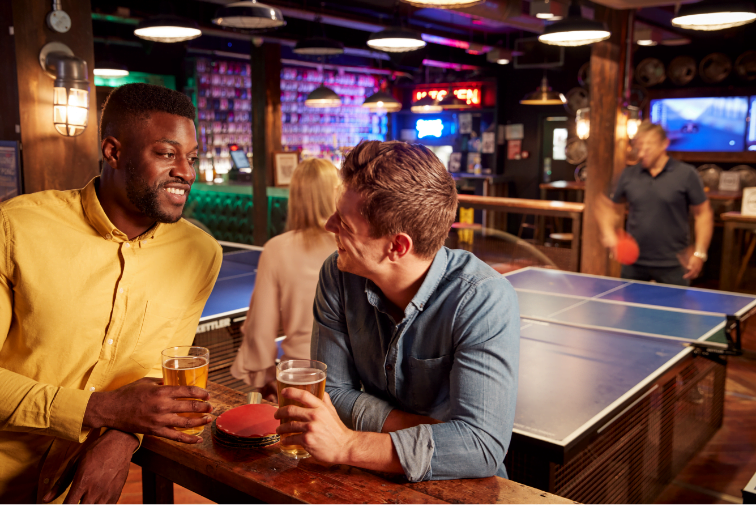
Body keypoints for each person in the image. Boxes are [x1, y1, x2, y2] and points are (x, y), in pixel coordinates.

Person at [0, 83, 222, 505]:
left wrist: (123, 435)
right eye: (166, 153)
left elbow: (161, 379)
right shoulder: (15, 228)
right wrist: (104, 411)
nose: (187, 172)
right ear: (113, 151)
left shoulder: (201, 255)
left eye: (191, 157)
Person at [274, 141, 520, 482]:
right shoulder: (338, 274)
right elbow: (332, 394)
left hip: (461, 487)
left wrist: (350, 445)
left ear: (397, 246)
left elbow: (479, 449)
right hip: (368, 480)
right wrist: (436, 433)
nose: (329, 225)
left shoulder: (483, 299)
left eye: (344, 222)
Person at [230, 158, 339, 401]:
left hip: (300, 377)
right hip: (356, 379)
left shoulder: (277, 249)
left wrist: (266, 377)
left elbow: (260, 326)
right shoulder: (354, 246)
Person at [598, 121, 713, 286]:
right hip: (634, 263)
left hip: (674, 264)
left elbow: (703, 214)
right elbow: (609, 208)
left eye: (648, 146)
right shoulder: (628, 174)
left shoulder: (686, 174)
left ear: (664, 144)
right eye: (639, 146)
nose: (642, 153)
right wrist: (610, 234)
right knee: (630, 312)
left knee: (673, 312)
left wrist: (700, 252)